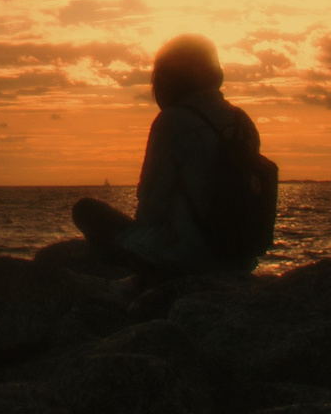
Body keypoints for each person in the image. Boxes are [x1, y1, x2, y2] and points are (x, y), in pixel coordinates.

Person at [72, 34, 274, 280]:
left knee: (86, 211)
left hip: (187, 256)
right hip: (238, 257)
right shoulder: (243, 120)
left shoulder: (173, 121)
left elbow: (151, 210)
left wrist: (137, 239)